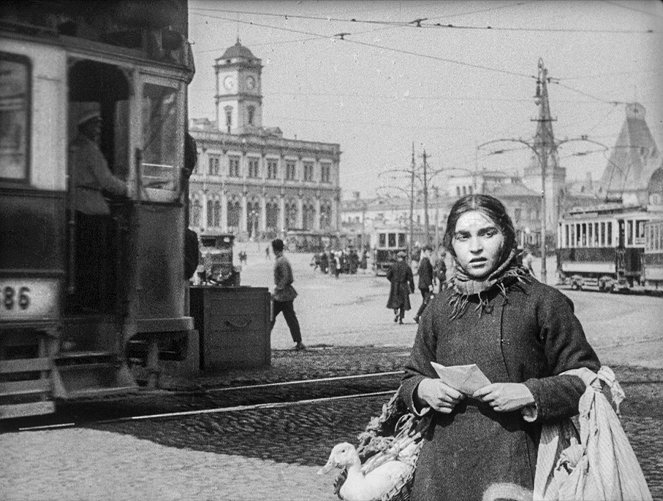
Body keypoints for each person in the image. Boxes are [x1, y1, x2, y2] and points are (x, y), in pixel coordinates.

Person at [399, 194, 600, 500]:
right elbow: (411, 377)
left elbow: (587, 380)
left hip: (517, 470)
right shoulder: (438, 308)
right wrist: (424, 389)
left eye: (487, 233)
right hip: (441, 476)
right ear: (451, 245)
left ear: (507, 236)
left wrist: (530, 393)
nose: (475, 247)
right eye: (463, 237)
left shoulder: (542, 302)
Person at [69, 105, 128, 312]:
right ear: (85, 126)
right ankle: (96, 302)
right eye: (95, 124)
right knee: (96, 259)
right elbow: (106, 181)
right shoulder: (90, 149)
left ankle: (80, 300)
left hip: (73, 205)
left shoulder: (73, 146)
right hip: (90, 209)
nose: (98, 129)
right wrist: (129, 189)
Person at [270, 238, 305, 351]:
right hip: (285, 295)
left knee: (270, 317)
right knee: (290, 318)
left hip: (282, 296)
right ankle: (299, 341)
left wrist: (278, 289)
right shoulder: (282, 260)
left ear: (274, 249)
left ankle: (263, 341)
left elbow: (286, 278)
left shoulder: (281, 261)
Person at [386, 250, 415, 324]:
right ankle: (401, 319)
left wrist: (392, 281)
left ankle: (396, 312)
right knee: (403, 303)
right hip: (403, 285)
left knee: (395, 301)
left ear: (398, 257)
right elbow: (410, 278)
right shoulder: (407, 267)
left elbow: (388, 276)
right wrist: (412, 288)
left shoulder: (393, 266)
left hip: (395, 286)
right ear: (404, 258)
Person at [413, 245, 434, 324]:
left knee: (426, 301)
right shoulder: (425, 261)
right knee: (427, 301)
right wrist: (430, 285)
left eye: (431, 252)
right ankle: (417, 315)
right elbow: (426, 274)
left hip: (422, 284)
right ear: (425, 252)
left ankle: (421, 317)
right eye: (429, 251)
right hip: (425, 285)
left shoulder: (423, 260)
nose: (430, 253)